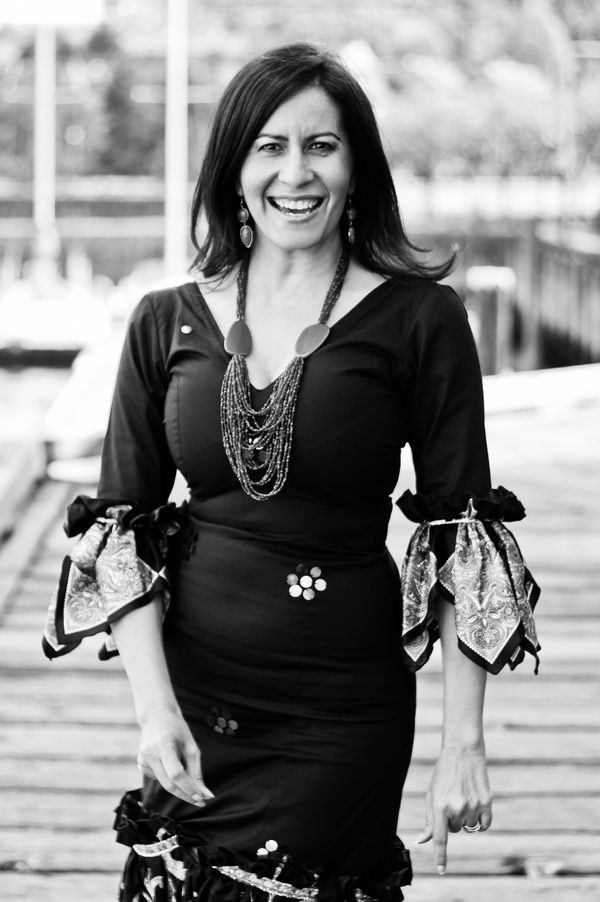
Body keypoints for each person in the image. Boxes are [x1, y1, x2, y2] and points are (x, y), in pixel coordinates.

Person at [43, 42, 540, 902]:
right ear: (234, 170)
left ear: (357, 168)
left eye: (322, 146)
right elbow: (121, 533)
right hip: (193, 700)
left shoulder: (421, 318)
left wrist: (463, 741)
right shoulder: (164, 319)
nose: (295, 172)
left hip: (340, 708)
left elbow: (462, 534)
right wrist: (154, 713)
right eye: (269, 146)